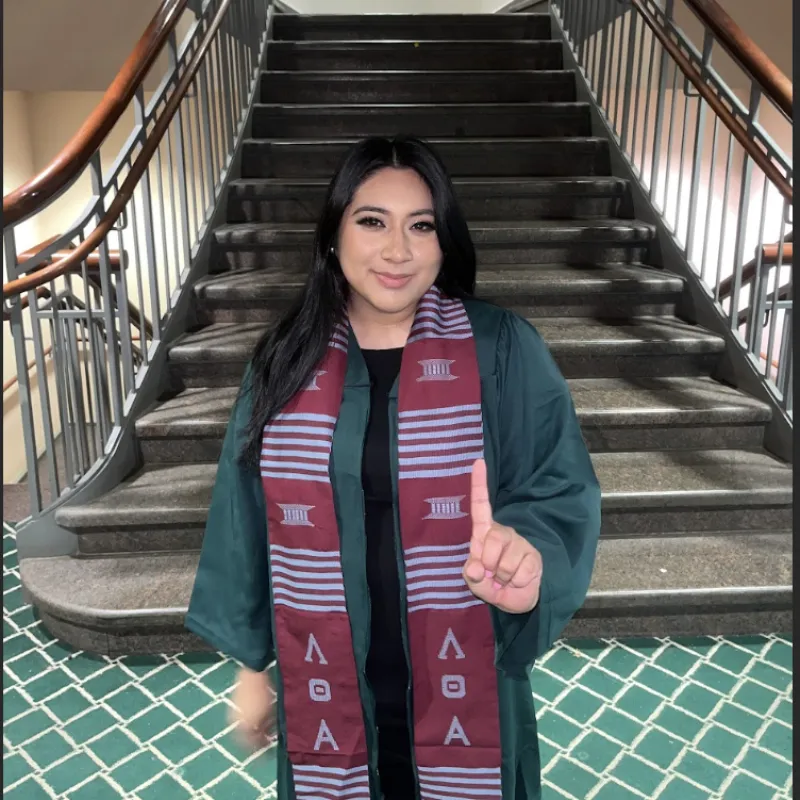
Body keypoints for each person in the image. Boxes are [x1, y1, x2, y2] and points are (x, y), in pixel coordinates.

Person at [185, 135, 601, 800]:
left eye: (422, 226)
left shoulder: (501, 349)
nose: (399, 251)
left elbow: (558, 488)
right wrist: (252, 667)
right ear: (333, 234)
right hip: (325, 669)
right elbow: (248, 516)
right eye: (372, 221)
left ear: (445, 240)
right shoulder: (284, 359)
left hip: (466, 660)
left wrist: (530, 555)